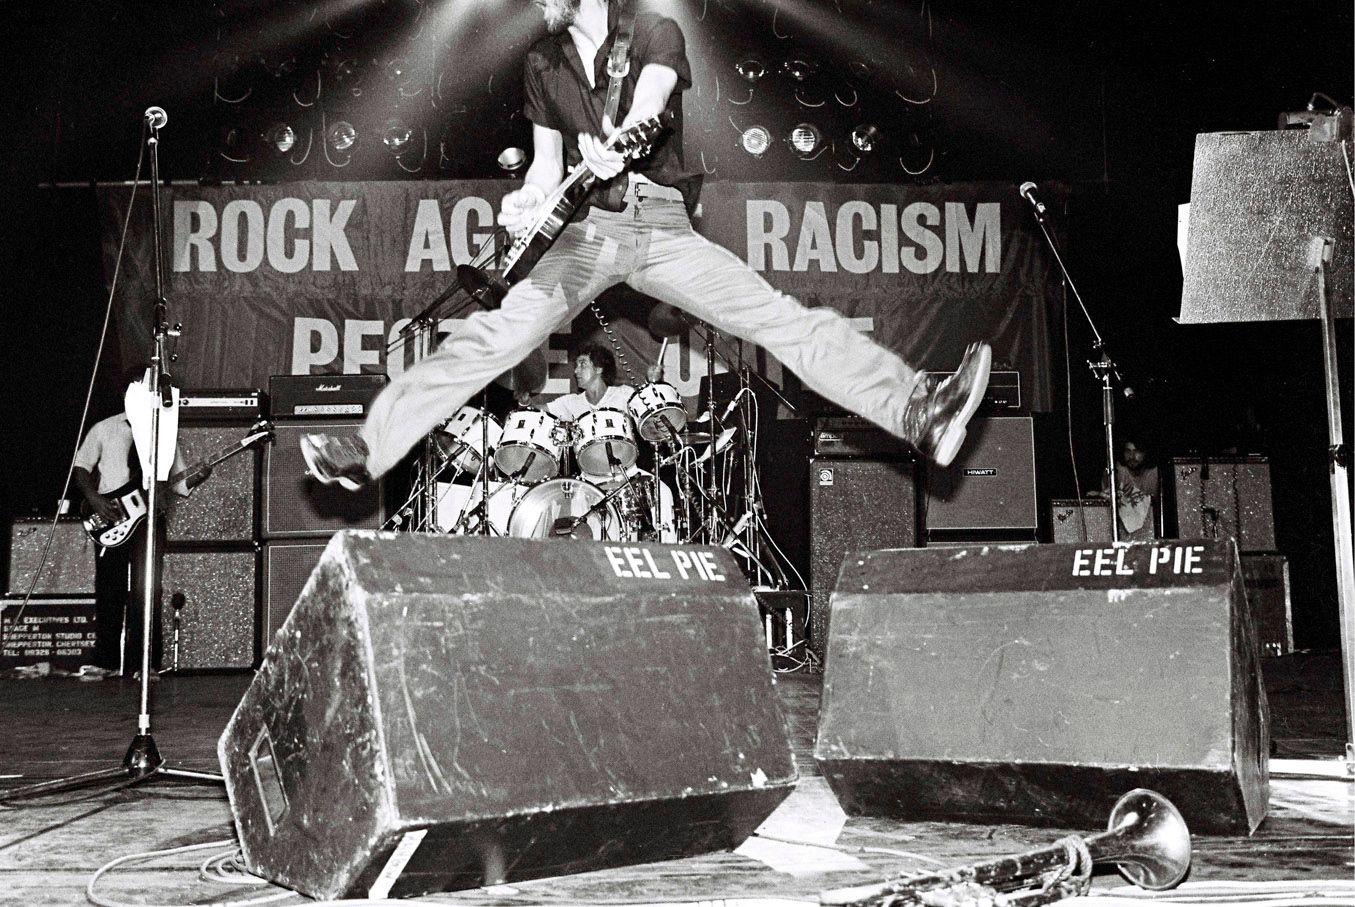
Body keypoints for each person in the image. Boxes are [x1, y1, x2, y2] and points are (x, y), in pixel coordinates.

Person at [300, 0, 991, 492]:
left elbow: (651, 105)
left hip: (659, 225)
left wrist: (620, 143)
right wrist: (526, 199)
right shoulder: (541, 61)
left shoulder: (656, 29)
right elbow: (546, 168)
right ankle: (368, 450)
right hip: (581, 235)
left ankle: (917, 412)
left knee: (778, 318)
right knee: (491, 337)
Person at [72, 370, 210, 675]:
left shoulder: (165, 435)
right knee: (109, 588)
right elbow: (81, 467)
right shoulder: (105, 428)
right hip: (112, 516)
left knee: (148, 590)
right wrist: (94, 498)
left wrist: (198, 477)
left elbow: (179, 484)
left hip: (150, 519)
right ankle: (106, 660)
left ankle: (145, 664)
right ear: (128, 393)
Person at [545, 342, 636, 421]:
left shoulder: (624, 394)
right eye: (576, 366)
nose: (576, 371)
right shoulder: (570, 402)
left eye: (582, 364)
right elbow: (540, 411)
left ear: (599, 368)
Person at [1102, 437, 1160, 542]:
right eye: (1128, 451)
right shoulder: (1118, 470)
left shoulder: (1155, 473)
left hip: (1150, 534)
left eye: (1137, 452)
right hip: (1122, 536)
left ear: (1145, 453)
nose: (1132, 457)